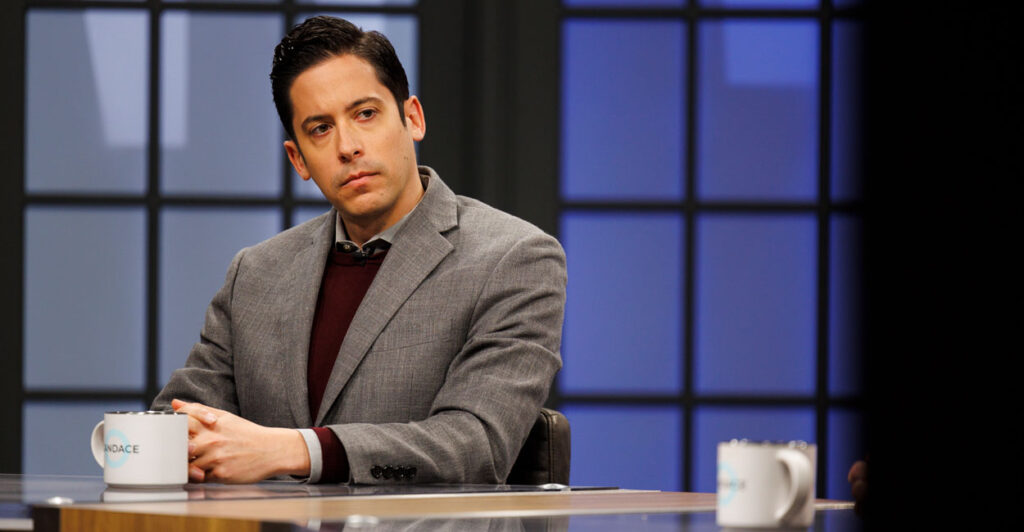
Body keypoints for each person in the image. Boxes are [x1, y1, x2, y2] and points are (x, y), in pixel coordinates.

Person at [152, 15, 566, 485]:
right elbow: (178, 417)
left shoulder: (515, 258)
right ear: (298, 159)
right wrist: (138, 442)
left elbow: (475, 445)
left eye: (365, 114)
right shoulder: (257, 272)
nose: (348, 146)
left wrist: (294, 450)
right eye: (320, 129)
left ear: (412, 118)